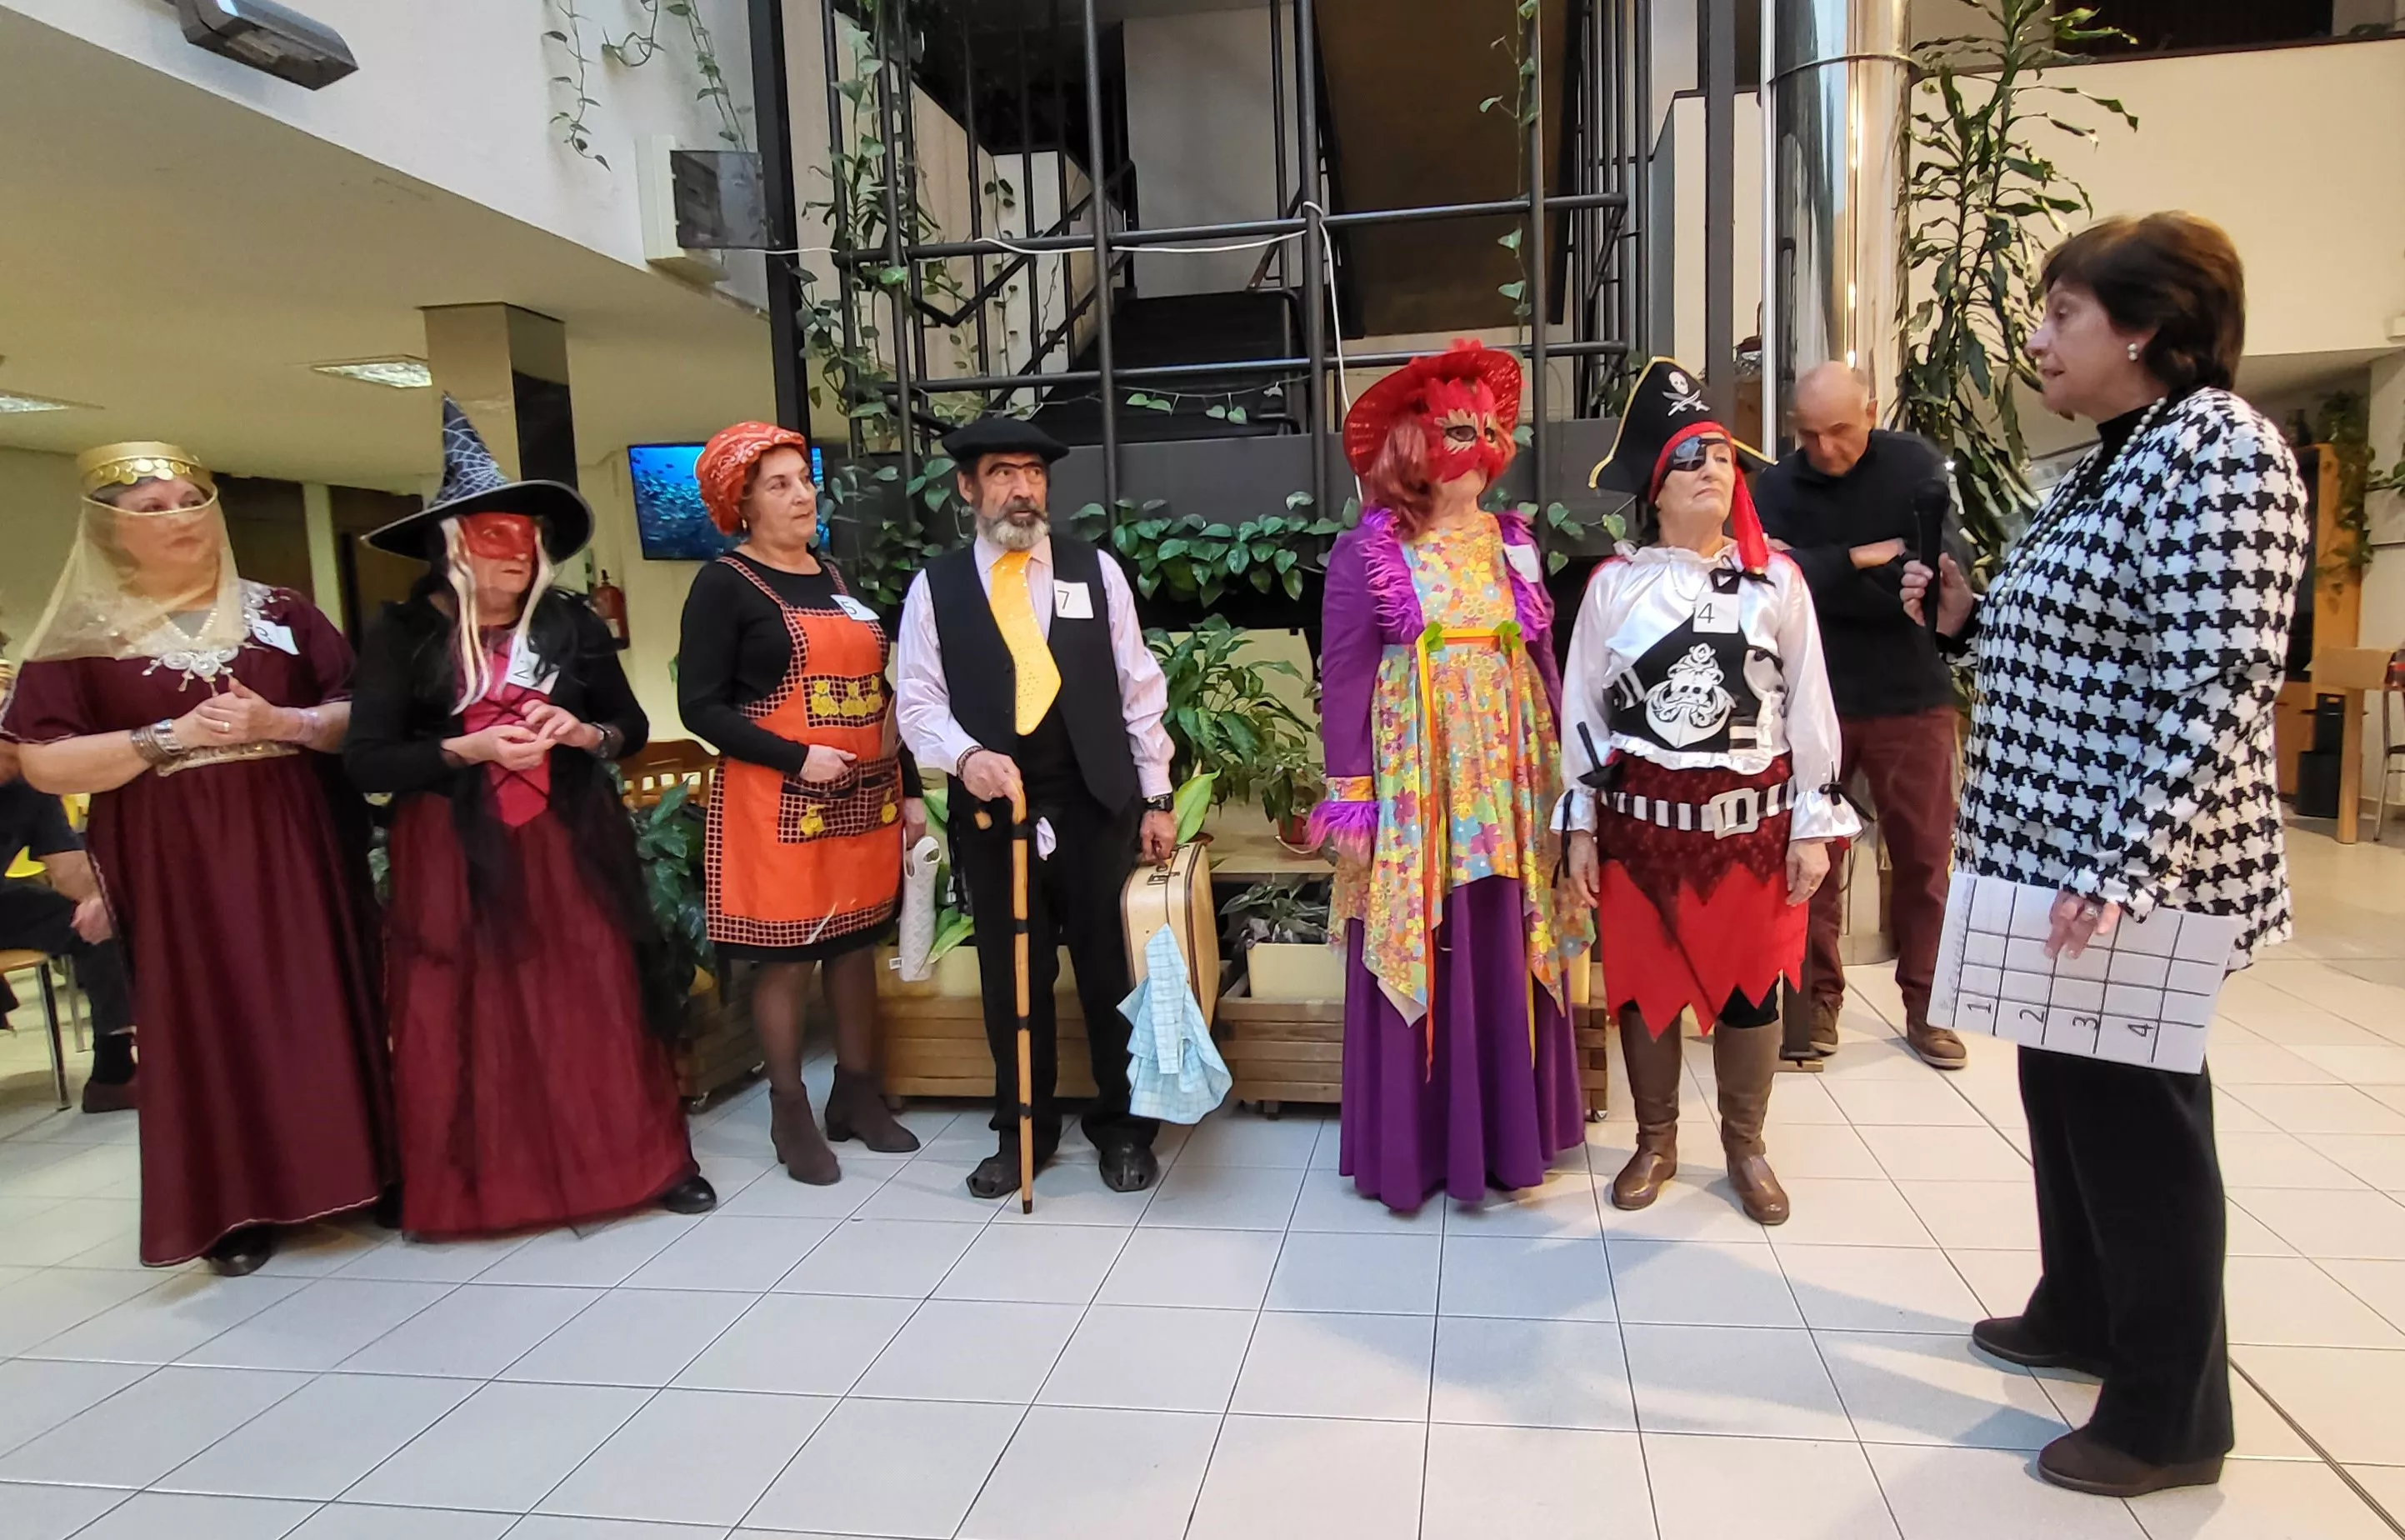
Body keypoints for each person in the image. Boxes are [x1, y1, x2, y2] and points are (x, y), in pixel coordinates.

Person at [1902, 212, 2302, 1498]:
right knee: (2063, 1100)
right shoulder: (2098, 463)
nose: (2036, 337)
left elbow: (2223, 682)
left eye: (2061, 313)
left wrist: (2122, 861)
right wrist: (1967, 626)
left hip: (2138, 873)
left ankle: (2166, 1418)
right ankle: (2079, 1311)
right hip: (2052, 861)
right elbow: (2081, 657)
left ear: (2143, 326)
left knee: (2138, 1127)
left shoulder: (2219, 449)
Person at [1, 442, 392, 1275]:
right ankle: (233, 1204)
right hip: (175, 857)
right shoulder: (79, 640)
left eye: (189, 499)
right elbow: (42, 760)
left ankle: (364, 1175)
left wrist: (284, 726)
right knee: (207, 1009)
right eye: (152, 509)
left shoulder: (282, 614)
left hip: (296, 839)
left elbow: (360, 712)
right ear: (109, 531)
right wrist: (166, 736)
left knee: (325, 990)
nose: (179, 517)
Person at [346, 400, 714, 1236]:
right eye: (492, 536)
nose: (515, 555)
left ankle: (642, 1163)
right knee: (469, 1010)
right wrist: (463, 752)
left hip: (568, 844)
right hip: (452, 851)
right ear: (452, 547)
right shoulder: (403, 636)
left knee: (593, 996)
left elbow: (629, 729)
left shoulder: (570, 625)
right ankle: (482, 1186)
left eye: (526, 536)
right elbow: (368, 761)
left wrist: (583, 732)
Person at [1560, 359, 1858, 1225]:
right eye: (1691, 458)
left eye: (1723, 458)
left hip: (1751, 828)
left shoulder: (1780, 584)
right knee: (1646, 990)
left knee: (1751, 986)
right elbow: (1583, 707)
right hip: (1640, 829)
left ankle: (1746, 1145)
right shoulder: (1614, 586)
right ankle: (1656, 1141)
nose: (1712, 471)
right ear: (1656, 488)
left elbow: (1809, 707)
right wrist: (1580, 825)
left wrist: (1812, 826)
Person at [1311, 341, 1592, 1212]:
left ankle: (1513, 1139)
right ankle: (1421, 1147)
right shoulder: (1368, 555)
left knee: (1505, 935)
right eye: (1458, 427)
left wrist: (1567, 784)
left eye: (1490, 427)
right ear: (1413, 443)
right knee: (1430, 941)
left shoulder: (1515, 542)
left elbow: (1544, 659)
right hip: (1417, 792)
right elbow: (1347, 680)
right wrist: (1353, 801)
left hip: (1509, 789)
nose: (1482, 441)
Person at [895, 416, 1176, 1198]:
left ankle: (1122, 1127)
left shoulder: (1095, 572)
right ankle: (1025, 1129)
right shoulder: (937, 587)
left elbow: (1137, 688)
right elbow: (917, 703)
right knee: (1009, 980)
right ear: (967, 488)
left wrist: (1155, 795)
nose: (1022, 487)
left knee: (1107, 972)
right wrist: (967, 758)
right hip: (993, 807)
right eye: (1001, 473)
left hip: (1095, 801)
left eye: (1034, 473)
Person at [679, 421, 922, 1186]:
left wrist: (910, 789)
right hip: (776, 801)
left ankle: (857, 1094)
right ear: (742, 504)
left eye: (804, 480)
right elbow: (700, 707)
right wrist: (794, 756)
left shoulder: (837, 581)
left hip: (861, 801)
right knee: (787, 959)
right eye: (779, 484)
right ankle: (790, 1111)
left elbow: (887, 698)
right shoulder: (724, 585)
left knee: (853, 947)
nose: (801, 495)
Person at [1753, 362, 1967, 1069]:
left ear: (1870, 413)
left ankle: (1929, 1004)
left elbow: (1938, 569)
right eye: (1808, 434)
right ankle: (1816, 1005)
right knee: (1810, 862)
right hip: (1813, 700)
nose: (1826, 449)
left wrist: (1825, 569)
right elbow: (1773, 579)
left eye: (1840, 431)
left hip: (1911, 691)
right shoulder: (1776, 486)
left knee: (1924, 859)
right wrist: (1868, 558)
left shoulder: (1914, 466)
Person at [0, 738, 138, 1112]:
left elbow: (68, 868)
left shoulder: (30, 784)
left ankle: (113, 1070)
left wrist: (98, 900)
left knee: (100, 922)